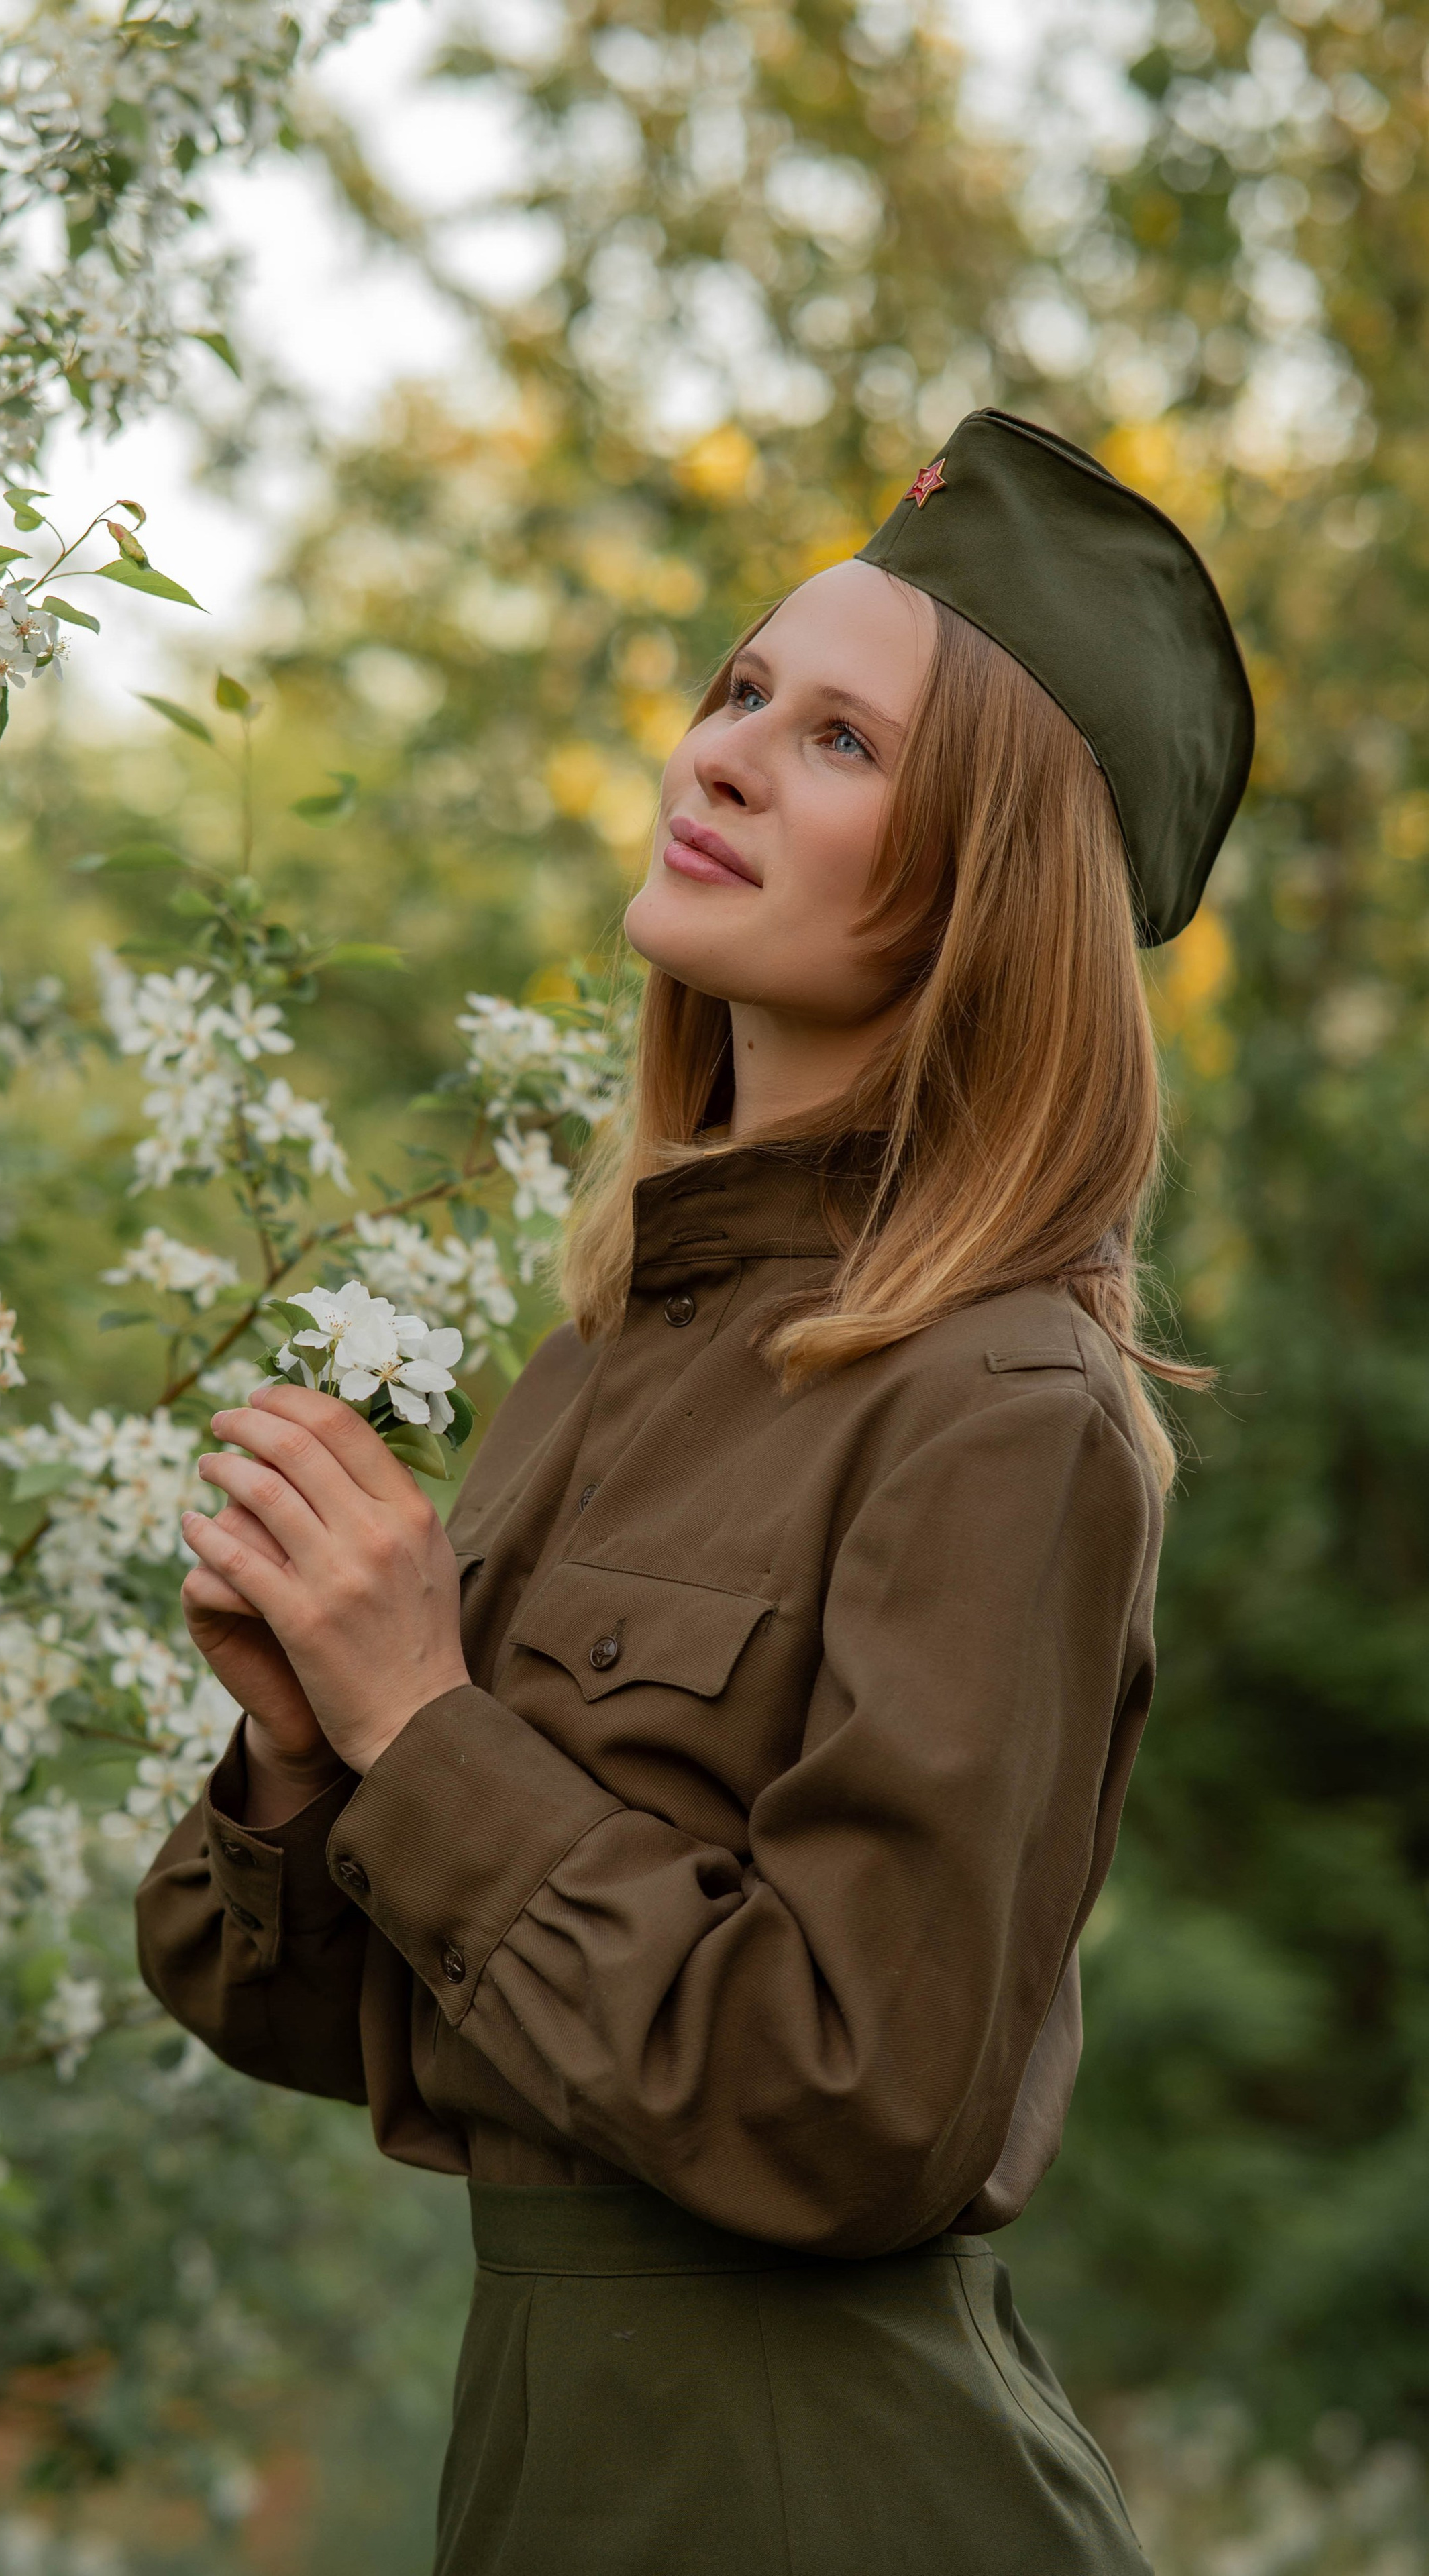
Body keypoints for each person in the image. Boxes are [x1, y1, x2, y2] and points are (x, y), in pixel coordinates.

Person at [136, 408, 1253, 2575]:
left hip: (821, 2492)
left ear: (991, 898)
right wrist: (305, 1743)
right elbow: (312, 2011)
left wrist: (420, 1723)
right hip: (556, 2473)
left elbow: (856, 2105)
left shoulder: (1002, 1404)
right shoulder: (608, 1354)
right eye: (743, 689)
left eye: (839, 741)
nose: (724, 755)